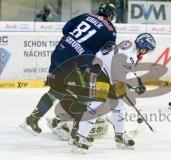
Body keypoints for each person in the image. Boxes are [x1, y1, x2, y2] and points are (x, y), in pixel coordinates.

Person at [20, 3, 117, 135]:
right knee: (84, 94)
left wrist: (75, 42)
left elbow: (66, 29)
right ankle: (69, 127)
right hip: (74, 62)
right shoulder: (111, 30)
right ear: (111, 16)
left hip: (59, 53)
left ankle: (33, 119)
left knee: (56, 90)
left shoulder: (86, 15)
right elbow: (105, 52)